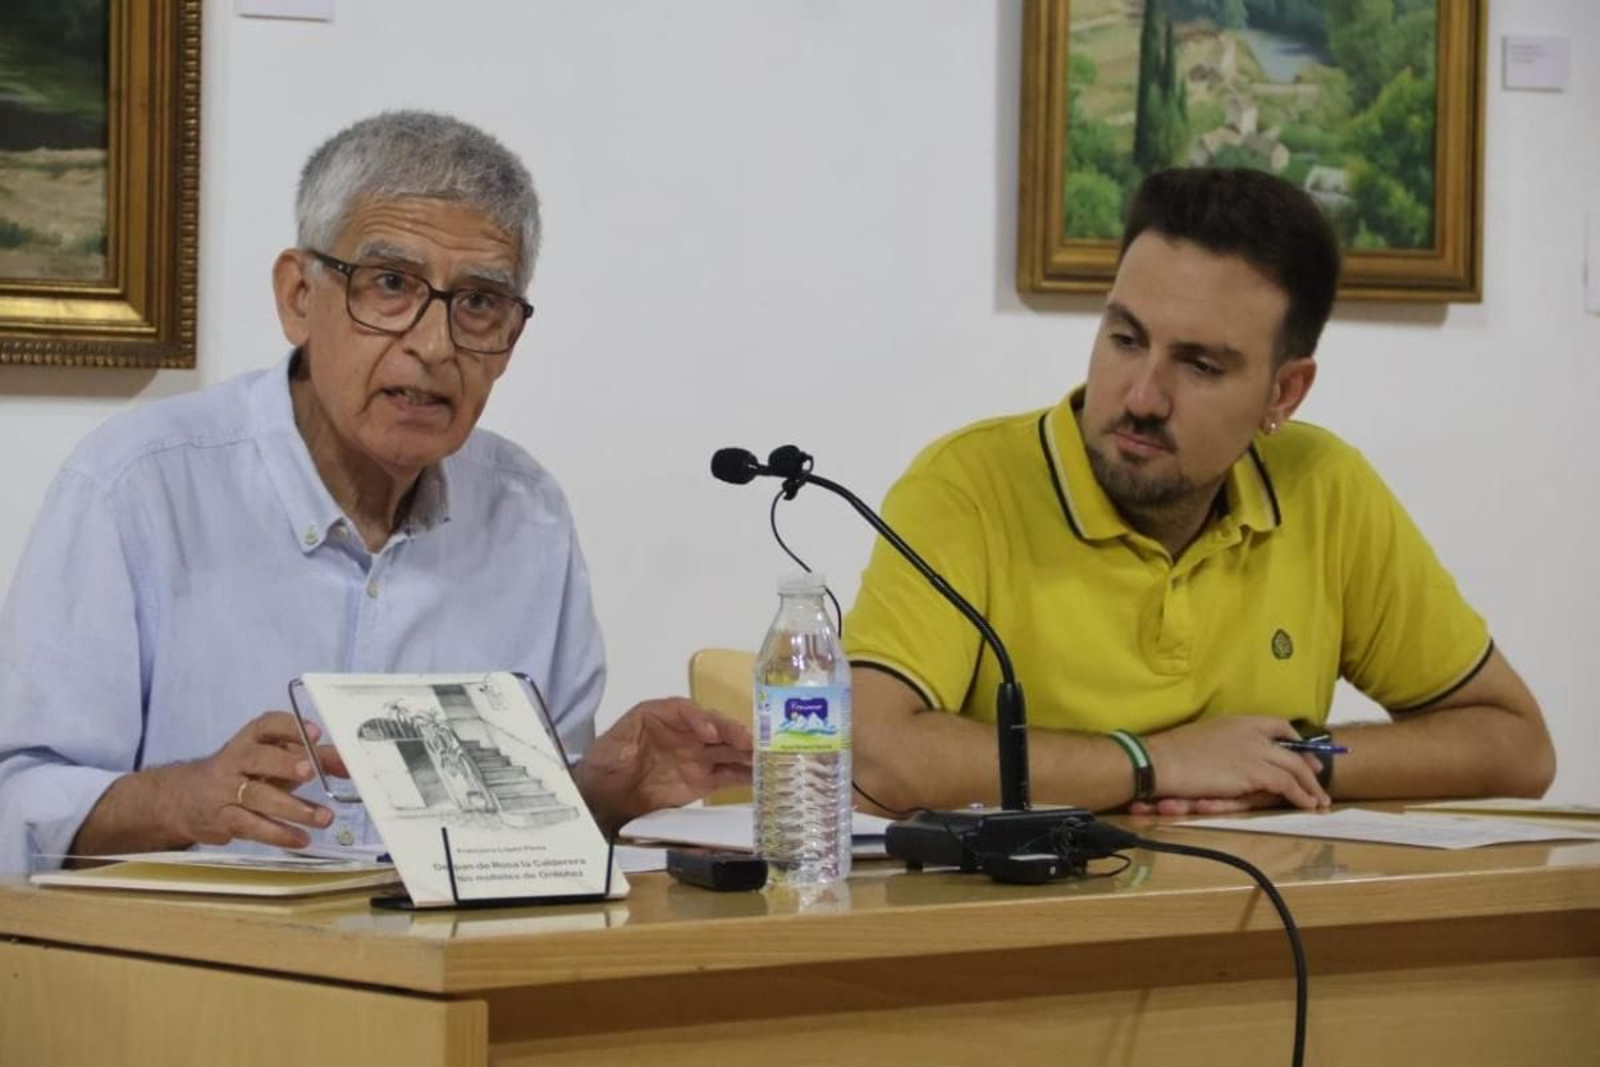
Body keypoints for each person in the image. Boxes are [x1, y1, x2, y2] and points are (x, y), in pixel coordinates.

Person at [0, 111, 750, 875]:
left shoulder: (527, 516)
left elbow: (526, 841)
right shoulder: (138, 487)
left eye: (479, 302)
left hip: (446, 950)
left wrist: (602, 794)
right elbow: (15, 800)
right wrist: (180, 800)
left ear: (510, 340)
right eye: (391, 285)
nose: (434, 345)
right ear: (299, 295)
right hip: (193, 950)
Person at [845, 168, 1554, 816]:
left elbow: (1518, 747)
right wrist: (1152, 763)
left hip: (1255, 909)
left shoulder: (1325, 486)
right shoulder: (966, 485)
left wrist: (1289, 761)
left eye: (1201, 366)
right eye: (1126, 340)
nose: (1142, 397)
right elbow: (870, 757)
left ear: (1284, 392)